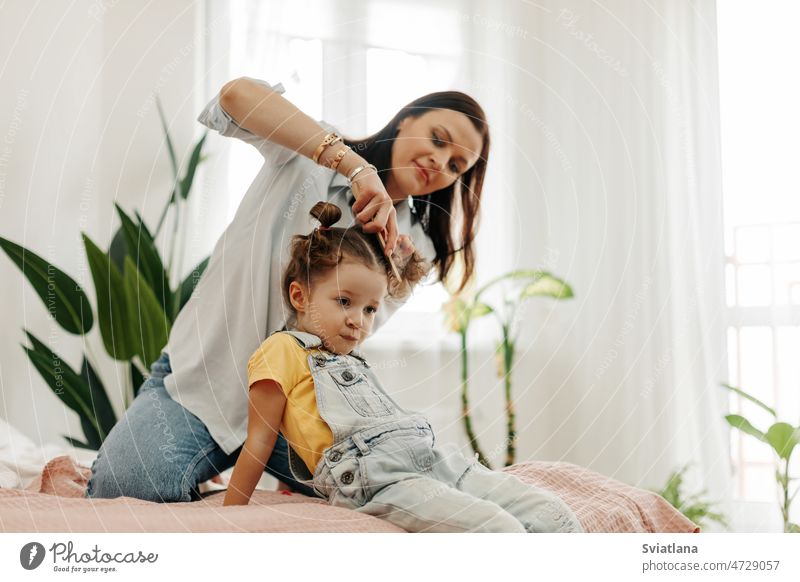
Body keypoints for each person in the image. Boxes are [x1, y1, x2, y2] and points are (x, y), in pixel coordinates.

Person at [86, 77, 491, 502]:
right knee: (122, 490)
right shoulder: (308, 154)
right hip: (202, 387)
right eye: (438, 139)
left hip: (304, 416)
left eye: (455, 166)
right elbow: (235, 96)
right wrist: (355, 168)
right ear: (407, 118)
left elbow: (343, 343)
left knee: (405, 497)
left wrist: (393, 280)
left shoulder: (411, 245)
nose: (439, 161)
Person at [223, 201, 582, 533]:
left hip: (428, 455)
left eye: (370, 309)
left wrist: (403, 261)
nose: (358, 321)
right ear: (300, 296)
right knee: (498, 529)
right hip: (374, 476)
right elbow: (259, 440)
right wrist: (229, 519)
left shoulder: (348, 359)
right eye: (344, 301)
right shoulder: (281, 350)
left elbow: (404, 277)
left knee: (552, 515)